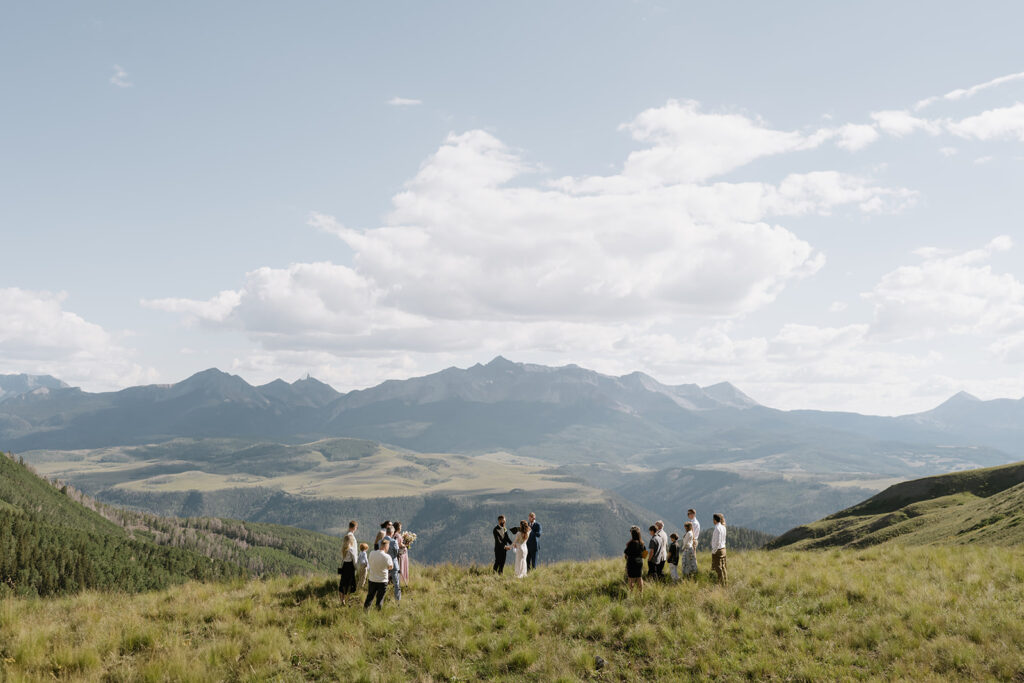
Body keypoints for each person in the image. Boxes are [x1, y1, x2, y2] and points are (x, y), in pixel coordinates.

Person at [364, 537, 394, 611]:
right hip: (382, 580)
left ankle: (365, 612)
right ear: (386, 546)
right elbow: (390, 567)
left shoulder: (372, 553)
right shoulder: (387, 557)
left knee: (369, 597)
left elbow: (370, 562)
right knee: (380, 599)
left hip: (372, 579)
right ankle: (377, 614)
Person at [339, 520, 358, 605]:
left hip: (344, 565)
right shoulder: (351, 549)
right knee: (350, 583)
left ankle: (342, 600)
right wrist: (356, 567)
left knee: (343, 583)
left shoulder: (344, 549)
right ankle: (347, 600)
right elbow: (354, 558)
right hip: (350, 566)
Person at [624, 526, 647, 593]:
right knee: (639, 578)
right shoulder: (642, 543)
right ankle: (641, 593)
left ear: (632, 535)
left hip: (631, 562)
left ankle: (631, 593)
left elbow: (626, 555)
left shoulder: (630, 544)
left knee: (631, 579)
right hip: (639, 562)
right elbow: (645, 555)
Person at [383, 523, 402, 603]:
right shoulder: (394, 541)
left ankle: (382, 599)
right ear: (392, 533)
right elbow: (396, 552)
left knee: (383, 582)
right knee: (396, 583)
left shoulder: (381, 541)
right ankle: (397, 600)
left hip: (384, 564)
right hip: (393, 564)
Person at [710, 513, 727, 585]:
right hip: (723, 548)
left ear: (714, 520)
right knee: (723, 567)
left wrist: (714, 551)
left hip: (718, 550)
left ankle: (721, 583)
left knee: (718, 568)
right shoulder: (723, 527)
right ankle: (725, 581)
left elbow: (717, 541)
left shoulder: (717, 528)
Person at [393, 521, 409, 586]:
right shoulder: (397, 535)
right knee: (401, 566)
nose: (401, 528)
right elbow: (398, 544)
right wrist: (405, 545)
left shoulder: (394, 534)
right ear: (398, 527)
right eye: (400, 527)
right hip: (401, 554)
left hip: (401, 553)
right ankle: (401, 580)